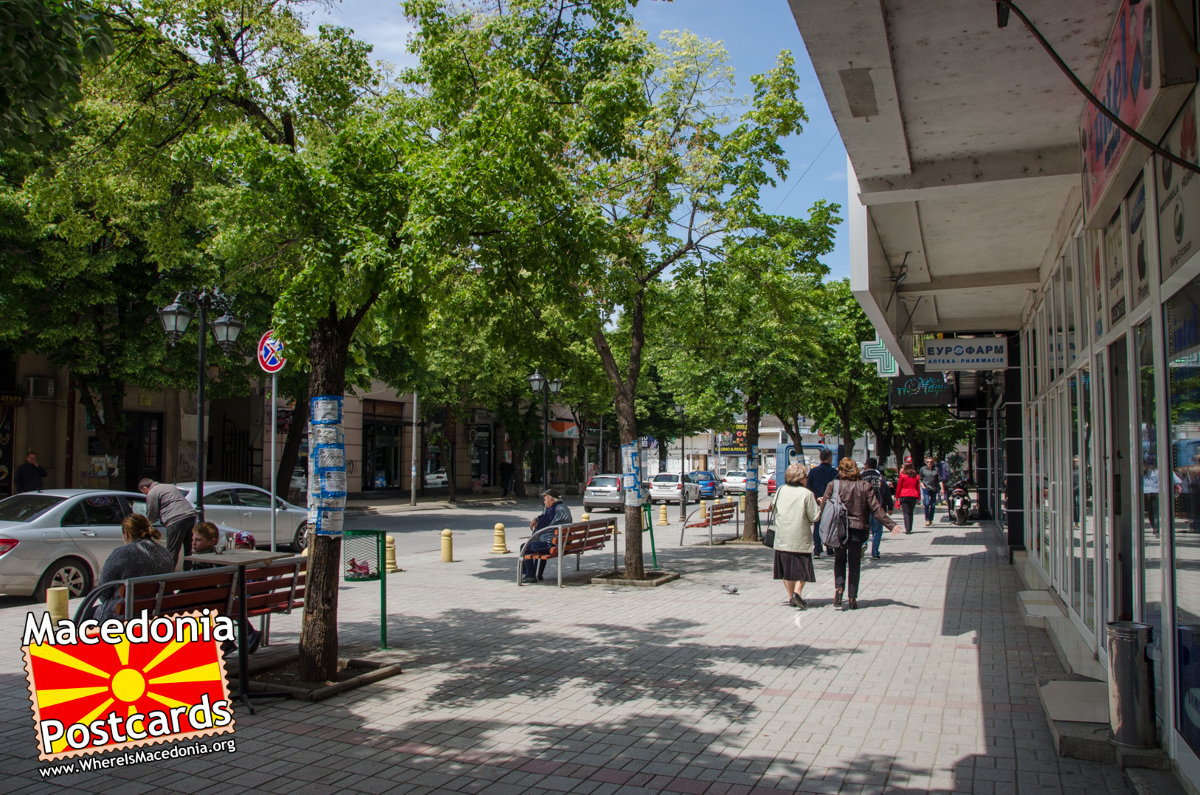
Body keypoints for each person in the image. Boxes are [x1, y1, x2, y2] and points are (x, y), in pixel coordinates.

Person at [820, 458, 898, 610]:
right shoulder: (865, 486)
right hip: (858, 530)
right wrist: (891, 524)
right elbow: (876, 508)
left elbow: (824, 507)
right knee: (855, 563)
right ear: (855, 469)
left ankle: (839, 588)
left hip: (839, 529)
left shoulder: (833, 485)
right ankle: (852, 597)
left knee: (839, 560)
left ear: (840, 470)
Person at [95, 514, 175, 622]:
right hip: (159, 613)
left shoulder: (121, 554)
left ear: (127, 534)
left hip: (125, 617)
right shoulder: (164, 552)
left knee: (89, 613)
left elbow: (103, 593)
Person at [772, 462, 821, 609]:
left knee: (787, 571)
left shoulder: (780, 490)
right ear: (800, 478)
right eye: (806, 476)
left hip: (782, 537)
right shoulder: (807, 494)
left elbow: (774, 509)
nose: (807, 479)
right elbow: (815, 517)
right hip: (800, 538)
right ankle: (797, 593)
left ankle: (790, 596)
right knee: (803, 570)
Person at [139, 478, 197, 569]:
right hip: (190, 515)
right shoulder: (168, 486)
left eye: (144, 492)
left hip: (175, 519)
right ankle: (188, 572)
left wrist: (147, 522)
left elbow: (152, 515)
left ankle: (169, 577)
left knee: (172, 551)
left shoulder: (152, 493)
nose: (146, 495)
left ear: (145, 488)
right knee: (189, 549)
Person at [522, 489, 573, 583]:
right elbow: (546, 517)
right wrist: (537, 518)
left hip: (553, 545)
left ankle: (530, 575)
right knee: (538, 545)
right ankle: (539, 574)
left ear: (552, 500)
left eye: (546, 500)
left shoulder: (553, 510)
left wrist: (537, 522)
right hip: (564, 543)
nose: (544, 502)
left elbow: (541, 526)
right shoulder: (563, 507)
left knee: (524, 547)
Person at [806, 450, 838, 558]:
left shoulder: (813, 472)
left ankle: (817, 550)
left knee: (817, 526)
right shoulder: (833, 472)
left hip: (816, 503)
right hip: (830, 503)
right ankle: (829, 548)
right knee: (830, 525)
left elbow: (808, 488)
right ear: (830, 459)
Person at [860, 458, 893, 560]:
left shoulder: (861, 477)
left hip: (864, 508)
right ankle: (875, 553)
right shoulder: (881, 478)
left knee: (864, 529)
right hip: (878, 508)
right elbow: (887, 493)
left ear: (866, 465)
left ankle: (863, 544)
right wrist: (890, 507)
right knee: (877, 531)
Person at [896, 458, 921, 534]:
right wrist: (919, 497)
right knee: (911, 512)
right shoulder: (916, 476)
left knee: (906, 512)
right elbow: (918, 487)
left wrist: (897, 496)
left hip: (904, 494)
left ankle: (907, 529)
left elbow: (899, 486)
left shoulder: (903, 476)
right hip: (913, 495)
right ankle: (910, 527)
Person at [918, 456, 942, 527]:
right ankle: (927, 519)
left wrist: (942, 488)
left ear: (933, 462)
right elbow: (920, 478)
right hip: (926, 489)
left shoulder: (936, 469)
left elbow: (940, 479)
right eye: (928, 462)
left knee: (933, 505)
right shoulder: (923, 469)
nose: (929, 463)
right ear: (926, 462)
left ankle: (931, 519)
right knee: (927, 503)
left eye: (931, 462)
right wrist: (923, 486)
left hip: (934, 489)